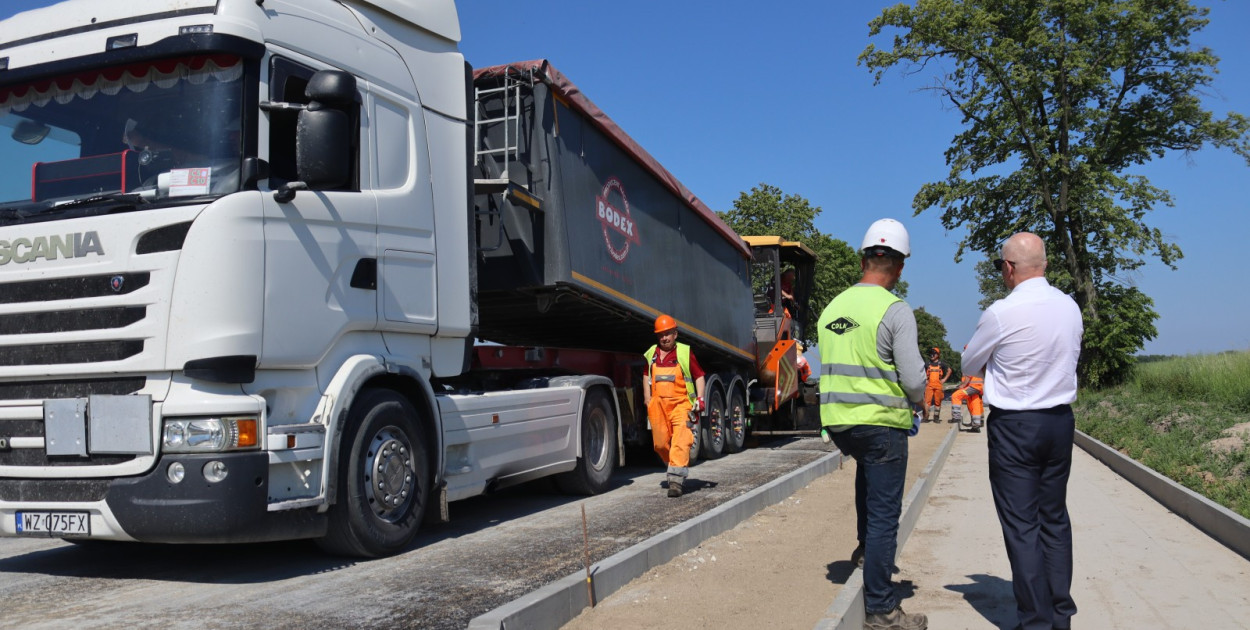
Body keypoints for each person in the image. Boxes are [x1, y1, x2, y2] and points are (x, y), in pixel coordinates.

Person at [961, 232, 1083, 630]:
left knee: (1022, 524)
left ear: (1009, 268)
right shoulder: (1069, 307)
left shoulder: (1001, 312)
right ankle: (1060, 613)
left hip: (1016, 424)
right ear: (1044, 264)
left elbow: (971, 363)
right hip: (1059, 421)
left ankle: (1035, 621)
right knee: (1054, 518)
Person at [817, 218, 927, 630]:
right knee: (885, 515)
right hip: (881, 423)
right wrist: (916, 403)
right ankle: (881, 607)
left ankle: (866, 554)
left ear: (863, 259)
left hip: (841, 424)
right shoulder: (894, 309)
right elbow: (915, 380)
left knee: (867, 481)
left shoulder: (832, 308)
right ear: (899, 267)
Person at [643, 314, 706, 498]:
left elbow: (699, 376)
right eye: (661, 334)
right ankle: (675, 464)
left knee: (680, 439)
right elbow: (646, 375)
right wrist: (647, 398)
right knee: (660, 444)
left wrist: (700, 399)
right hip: (658, 406)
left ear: (675, 334)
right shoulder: (651, 354)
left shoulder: (685, 353)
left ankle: (676, 481)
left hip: (681, 404)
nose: (665, 338)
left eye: (668, 333)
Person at [922, 347, 951, 422]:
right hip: (929, 385)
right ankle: (926, 417)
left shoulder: (941, 363)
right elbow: (921, 371)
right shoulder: (927, 363)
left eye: (934, 353)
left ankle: (936, 417)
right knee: (927, 401)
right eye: (931, 353)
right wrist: (925, 379)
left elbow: (949, 370)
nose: (932, 355)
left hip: (938, 385)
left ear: (937, 355)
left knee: (938, 402)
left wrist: (944, 379)